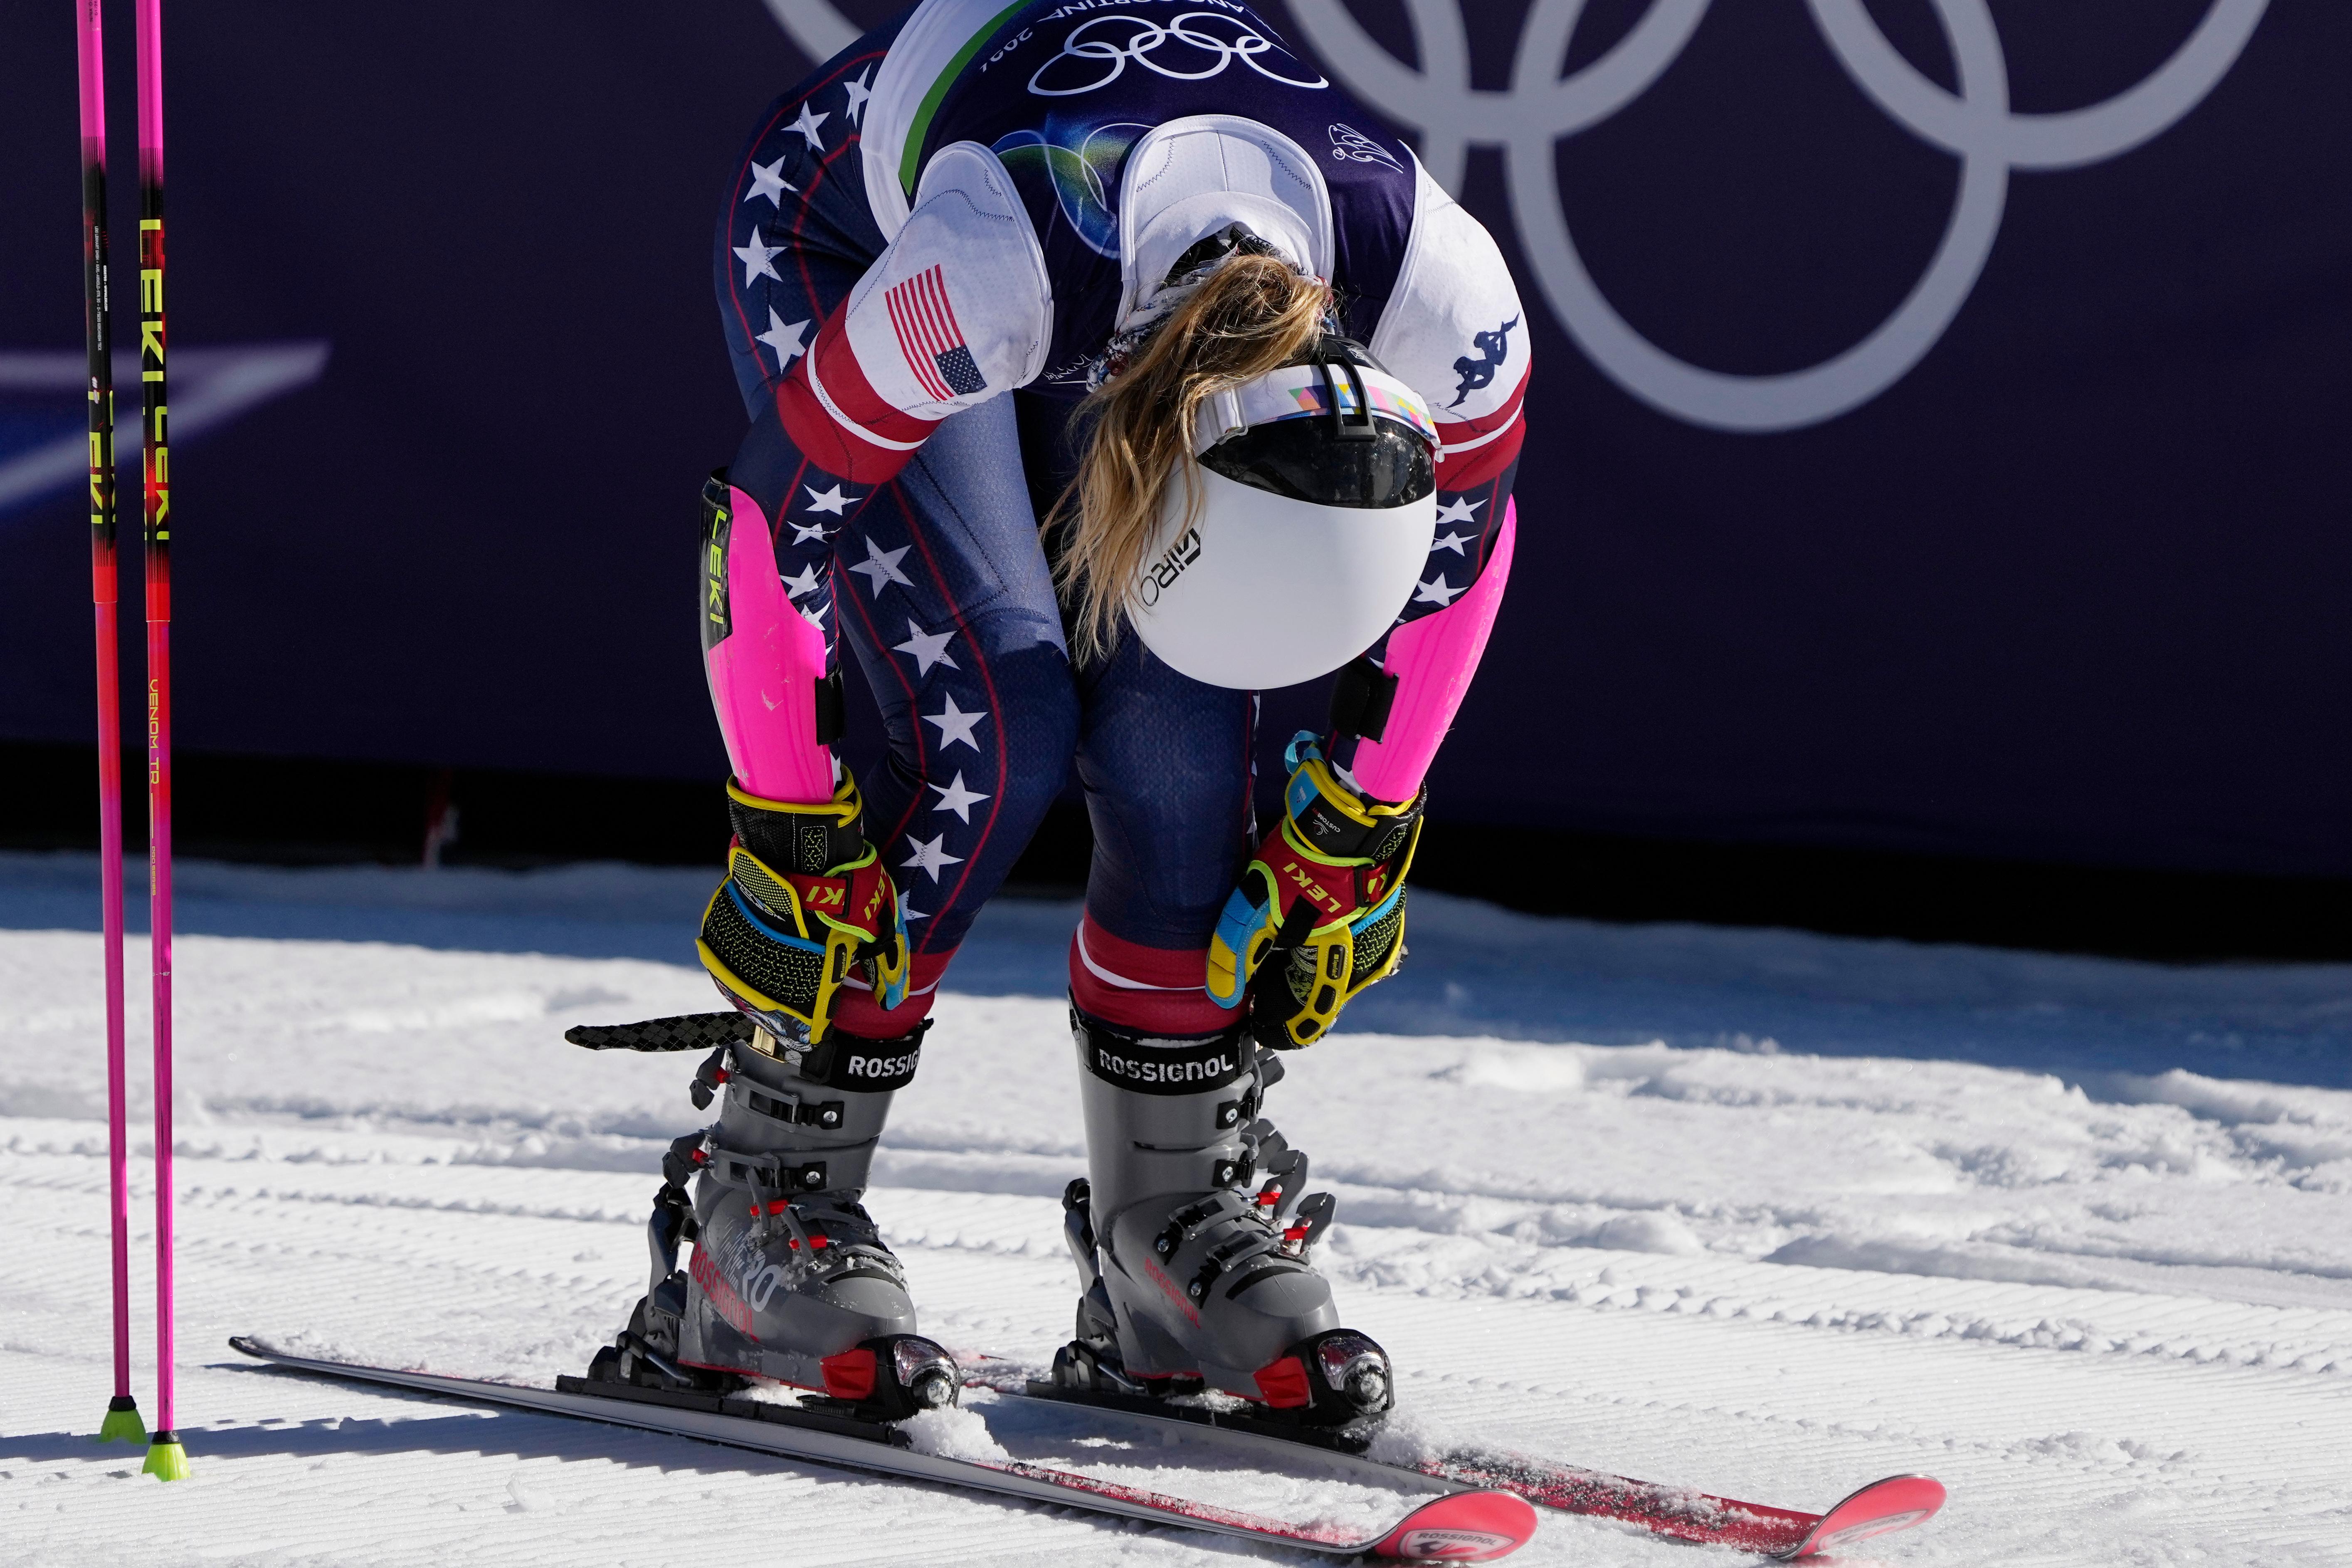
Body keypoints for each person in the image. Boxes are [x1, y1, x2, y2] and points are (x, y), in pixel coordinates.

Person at [584, 0, 1528, 1426]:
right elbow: (764, 526)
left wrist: (1359, 816)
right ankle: (757, 1205)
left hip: (1129, 272)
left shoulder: (1449, 304)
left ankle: (1170, 1227)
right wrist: (786, 815)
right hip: (852, 220)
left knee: (1182, 746)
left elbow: (1468, 558)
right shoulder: (985, 273)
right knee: (988, 715)